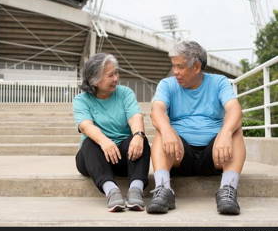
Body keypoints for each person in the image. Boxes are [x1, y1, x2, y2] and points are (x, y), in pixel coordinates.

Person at [146, 40, 246, 215]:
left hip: (216, 154)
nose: (175, 72)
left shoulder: (219, 82)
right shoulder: (167, 84)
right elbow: (157, 110)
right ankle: (163, 189)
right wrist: (168, 130)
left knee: (235, 130)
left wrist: (225, 132)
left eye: (180, 67)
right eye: (174, 66)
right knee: (162, 131)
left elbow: (234, 109)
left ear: (197, 67)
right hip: (179, 154)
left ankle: (228, 191)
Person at [73, 53, 150, 212]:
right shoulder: (81, 100)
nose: (116, 78)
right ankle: (112, 191)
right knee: (89, 142)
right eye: (110, 75)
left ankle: (136, 190)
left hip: (123, 156)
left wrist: (138, 135)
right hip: (95, 159)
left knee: (140, 139)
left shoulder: (125, 93)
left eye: (116, 73)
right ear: (94, 79)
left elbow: (135, 116)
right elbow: (86, 126)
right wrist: (104, 141)